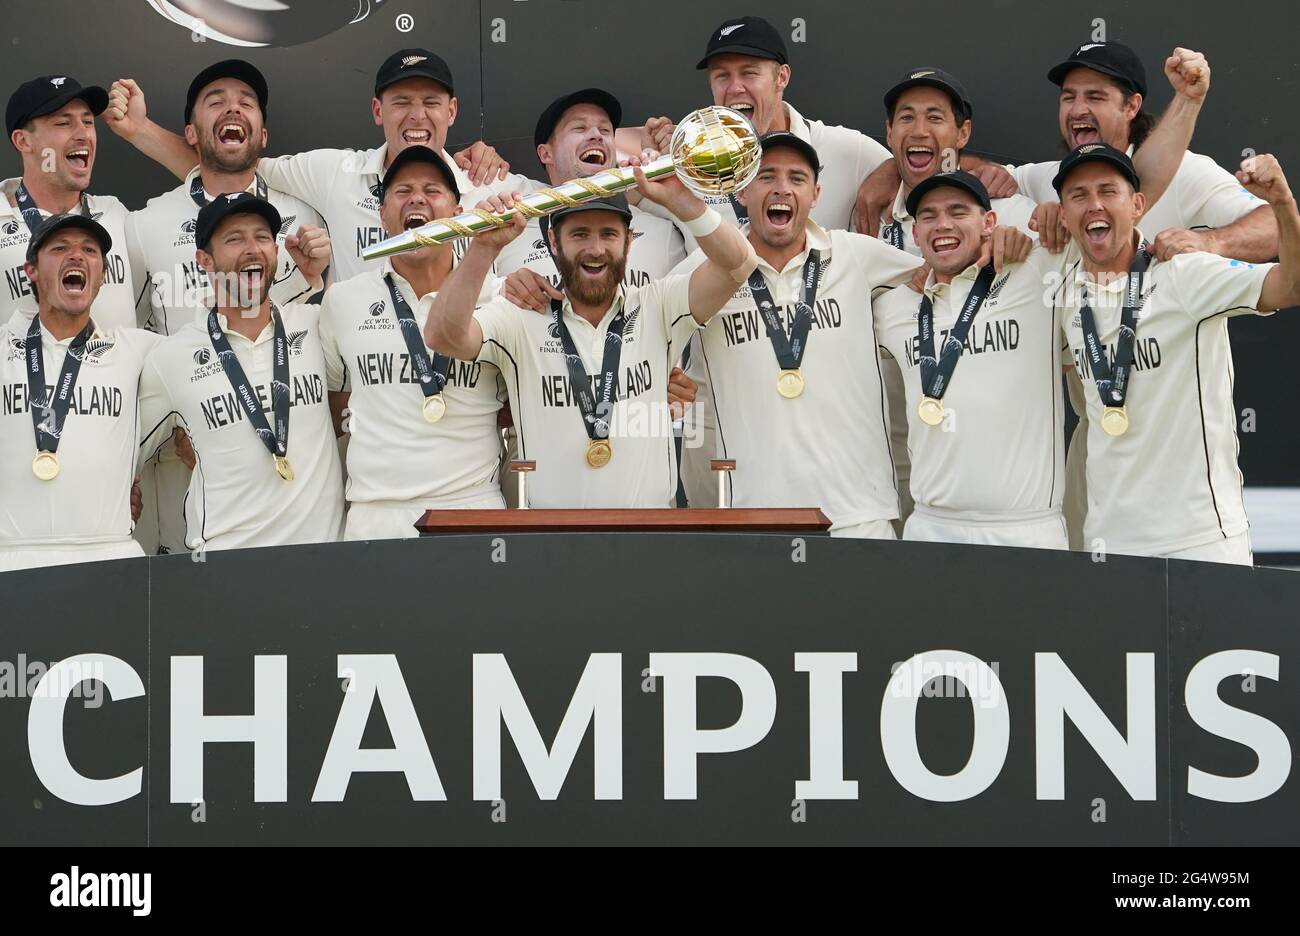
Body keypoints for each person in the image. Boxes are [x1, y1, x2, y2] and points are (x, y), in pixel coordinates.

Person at [424, 160, 756, 508]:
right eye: (580, 233)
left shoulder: (658, 306)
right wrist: (483, 249)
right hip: (553, 542)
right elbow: (443, 337)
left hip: (649, 537)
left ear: (629, 241)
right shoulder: (521, 317)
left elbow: (739, 264)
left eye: (608, 234)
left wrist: (682, 202)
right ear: (554, 241)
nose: (595, 249)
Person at [1054, 145, 1299, 564]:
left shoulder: (1186, 274)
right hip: (1108, 544)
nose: (1094, 204)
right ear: (1063, 215)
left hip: (1201, 540)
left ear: (1137, 206)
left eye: (1108, 191)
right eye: (1078, 195)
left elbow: (1291, 287)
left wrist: (1282, 203)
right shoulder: (1062, 296)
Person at [127, 59, 333, 556]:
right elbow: (127, 330)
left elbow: (327, 341)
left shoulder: (306, 214)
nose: (232, 108)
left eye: (246, 102)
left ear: (264, 134)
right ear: (191, 132)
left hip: (307, 491)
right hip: (195, 467)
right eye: (215, 101)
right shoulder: (146, 223)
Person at [104, 48, 519, 282]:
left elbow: (577, 191)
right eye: (400, 103)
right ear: (378, 110)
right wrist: (139, 130)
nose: (416, 116)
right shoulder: (333, 174)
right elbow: (231, 165)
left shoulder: (491, 185)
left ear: (452, 110)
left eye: (430, 103)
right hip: (368, 401)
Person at [874, 172, 1072, 546]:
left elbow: (1104, 227)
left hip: (1028, 529)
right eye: (928, 216)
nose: (942, 224)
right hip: (930, 528)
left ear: (990, 222)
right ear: (915, 235)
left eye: (957, 211)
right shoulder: (892, 307)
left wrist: (1052, 217)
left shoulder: (1034, 271)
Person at [319, 146, 507, 540]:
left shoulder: (500, 296)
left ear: (458, 214)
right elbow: (335, 400)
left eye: (433, 190)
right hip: (376, 515)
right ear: (383, 215)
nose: (417, 198)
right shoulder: (342, 299)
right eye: (402, 191)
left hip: (472, 509)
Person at [138, 194, 343, 552]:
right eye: (234, 239)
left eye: (262, 237)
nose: (253, 249)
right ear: (204, 260)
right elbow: (121, 450)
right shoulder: (170, 358)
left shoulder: (316, 325)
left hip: (322, 562)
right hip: (225, 570)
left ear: (277, 253)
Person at [0, 215, 160, 572]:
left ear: (102, 276)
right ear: (31, 271)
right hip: (9, 560)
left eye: (89, 250)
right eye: (59, 248)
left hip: (110, 558)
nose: (76, 256)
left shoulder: (140, 351)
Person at [3, 75, 142, 329]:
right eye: (63, 123)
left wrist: (141, 130)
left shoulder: (117, 215)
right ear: (23, 141)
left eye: (88, 122)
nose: (83, 134)